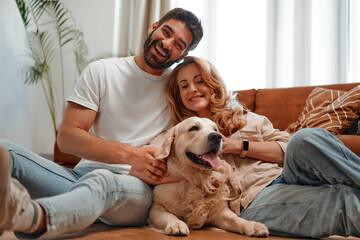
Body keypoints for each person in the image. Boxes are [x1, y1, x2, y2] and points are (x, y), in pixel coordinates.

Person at [0, 8, 203, 239]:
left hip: (135, 190)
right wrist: (130, 155)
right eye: (166, 32)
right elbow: (67, 138)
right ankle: (73, 206)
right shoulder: (102, 71)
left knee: (103, 181)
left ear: (182, 56)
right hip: (80, 177)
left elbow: (208, 125)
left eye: (179, 45)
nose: (167, 44)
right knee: (5, 150)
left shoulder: (179, 90)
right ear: (153, 26)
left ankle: (33, 217)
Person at [164, 56, 360, 238]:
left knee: (303, 139)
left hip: (287, 174)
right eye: (184, 86)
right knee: (343, 201)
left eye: (199, 81)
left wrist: (237, 146)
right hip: (255, 198)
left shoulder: (247, 119)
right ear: (179, 95)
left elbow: (288, 148)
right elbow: (160, 166)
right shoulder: (180, 136)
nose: (192, 89)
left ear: (213, 84)